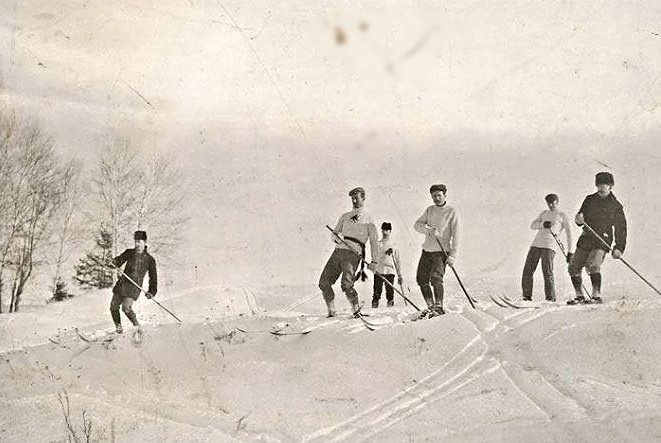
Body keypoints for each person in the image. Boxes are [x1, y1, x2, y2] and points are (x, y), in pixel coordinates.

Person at [567, 172, 627, 305]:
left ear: (610, 186)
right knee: (573, 267)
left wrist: (619, 248)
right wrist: (578, 219)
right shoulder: (589, 199)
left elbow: (621, 229)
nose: (600, 187)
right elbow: (580, 218)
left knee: (593, 265)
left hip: (602, 239)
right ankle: (579, 296)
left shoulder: (616, 206)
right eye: (598, 184)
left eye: (603, 185)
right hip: (586, 237)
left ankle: (596, 295)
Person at [319, 187, 378, 317]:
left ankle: (356, 310)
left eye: (357, 197)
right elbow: (334, 234)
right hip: (338, 251)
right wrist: (336, 237)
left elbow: (374, 242)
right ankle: (331, 311)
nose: (355, 200)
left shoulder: (369, 219)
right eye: (352, 198)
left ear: (364, 198)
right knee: (323, 282)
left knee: (346, 285)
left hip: (353, 254)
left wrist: (374, 261)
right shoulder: (344, 217)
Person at [413, 184, 460, 317]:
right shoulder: (430, 210)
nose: (436, 198)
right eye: (434, 196)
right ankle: (430, 306)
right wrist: (428, 231)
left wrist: (453, 256)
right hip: (427, 251)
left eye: (439, 195)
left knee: (436, 278)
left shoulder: (451, 211)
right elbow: (417, 225)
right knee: (421, 279)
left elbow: (457, 235)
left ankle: (439, 307)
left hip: (441, 252)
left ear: (445, 195)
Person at [521, 194, 573, 302]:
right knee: (528, 270)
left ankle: (550, 298)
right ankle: (526, 296)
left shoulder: (562, 215)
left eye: (553, 203)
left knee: (547, 271)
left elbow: (569, 233)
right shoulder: (544, 213)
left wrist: (570, 252)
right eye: (549, 203)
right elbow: (533, 225)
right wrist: (543, 224)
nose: (551, 205)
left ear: (557, 202)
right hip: (536, 244)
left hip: (549, 246)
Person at [109, 230, 158, 333]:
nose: (137, 244)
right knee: (113, 306)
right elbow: (119, 260)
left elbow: (153, 278)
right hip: (122, 284)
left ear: (144, 242)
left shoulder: (149, 260)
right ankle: (118, 327)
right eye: (135, 241)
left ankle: (136, 325)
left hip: (133, 287)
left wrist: (152, 291)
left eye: (139, 241)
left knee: (126, 307)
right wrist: (114, 262)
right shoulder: (129, 253)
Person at [371, 222, 403, 308]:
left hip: (390, 271)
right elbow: (375, 257)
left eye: (386, 230)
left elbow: (397, 260)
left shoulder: (394, 245)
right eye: (383, 230)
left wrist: (399, 275)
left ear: (390, 231)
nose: (384, 232)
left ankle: (390, 310)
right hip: (379, 271)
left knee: (390, 293)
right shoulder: (378, 244)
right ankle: (374, 309)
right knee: (376, 293)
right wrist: (385, 253)